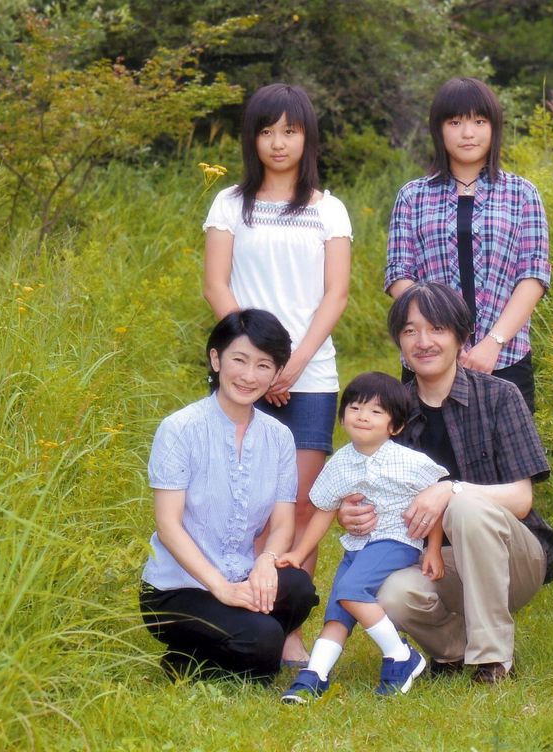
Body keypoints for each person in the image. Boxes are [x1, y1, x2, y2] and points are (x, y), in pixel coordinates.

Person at [340, 283, 553, 684]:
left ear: (460, 335)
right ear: (400, 342)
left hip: (514, 560)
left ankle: (492, 660)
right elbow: (365, 489)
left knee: (464, 505)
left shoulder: (500, 396)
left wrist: (450, 489)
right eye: (410, 331)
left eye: (436, 329)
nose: (423, 342)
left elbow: (521, 499)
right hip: (440, 563)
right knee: (392, 594)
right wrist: (352, 512)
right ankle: (453, 650)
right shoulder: (391, 414)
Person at [203, 83, 352, 664]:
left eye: (290, 131)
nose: (278, 142)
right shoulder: (228, 204)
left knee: (301, 505)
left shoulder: (327, 209)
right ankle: (236, 614)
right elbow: (218, 285)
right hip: (244, 376)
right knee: (241, 500)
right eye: (266, 131)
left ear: (307, 136)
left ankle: (288, 627)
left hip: (310, 377)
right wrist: (255, 364)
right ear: (253, 139)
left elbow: (335, 295)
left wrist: (289, 366)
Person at [139, 309, 319, 683]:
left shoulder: (278, 437)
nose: (249, 375)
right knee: (265, 641)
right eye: (239, 360)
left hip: (242, 575)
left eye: (264, 365)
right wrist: (221, 589)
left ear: (276, 373)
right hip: (177, 590)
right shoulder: (179, 429)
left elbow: (284, 522)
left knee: (299, 588)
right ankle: (199, 655)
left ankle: (219, 653)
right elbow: (168, 526)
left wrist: (266, 562)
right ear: (216, 358)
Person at [276, 372, 448, 703]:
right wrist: (298, 554)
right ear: (342, 417)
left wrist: (434, 549)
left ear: (395, 427)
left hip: (397, 540)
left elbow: (436, 502)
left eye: (375, 411)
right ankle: (315, 676)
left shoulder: (408, 460)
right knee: (338, 609)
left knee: (352, 591)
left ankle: (400, 656)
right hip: (357, 547)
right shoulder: (340, 463)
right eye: (355, 408)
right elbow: (324, 511)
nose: (363, 416)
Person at [384, 77, 550, 412]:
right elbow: (399, 275)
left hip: (506, 358)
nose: (468, 133)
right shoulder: (413, 195)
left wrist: (492, 343)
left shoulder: (522, 194)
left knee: (510, 463)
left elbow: (532, 277)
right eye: (455, 122)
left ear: (494, 127)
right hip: (428, 358)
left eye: (479, 121)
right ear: (439, 130)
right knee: (428, 462)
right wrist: (441, 338)